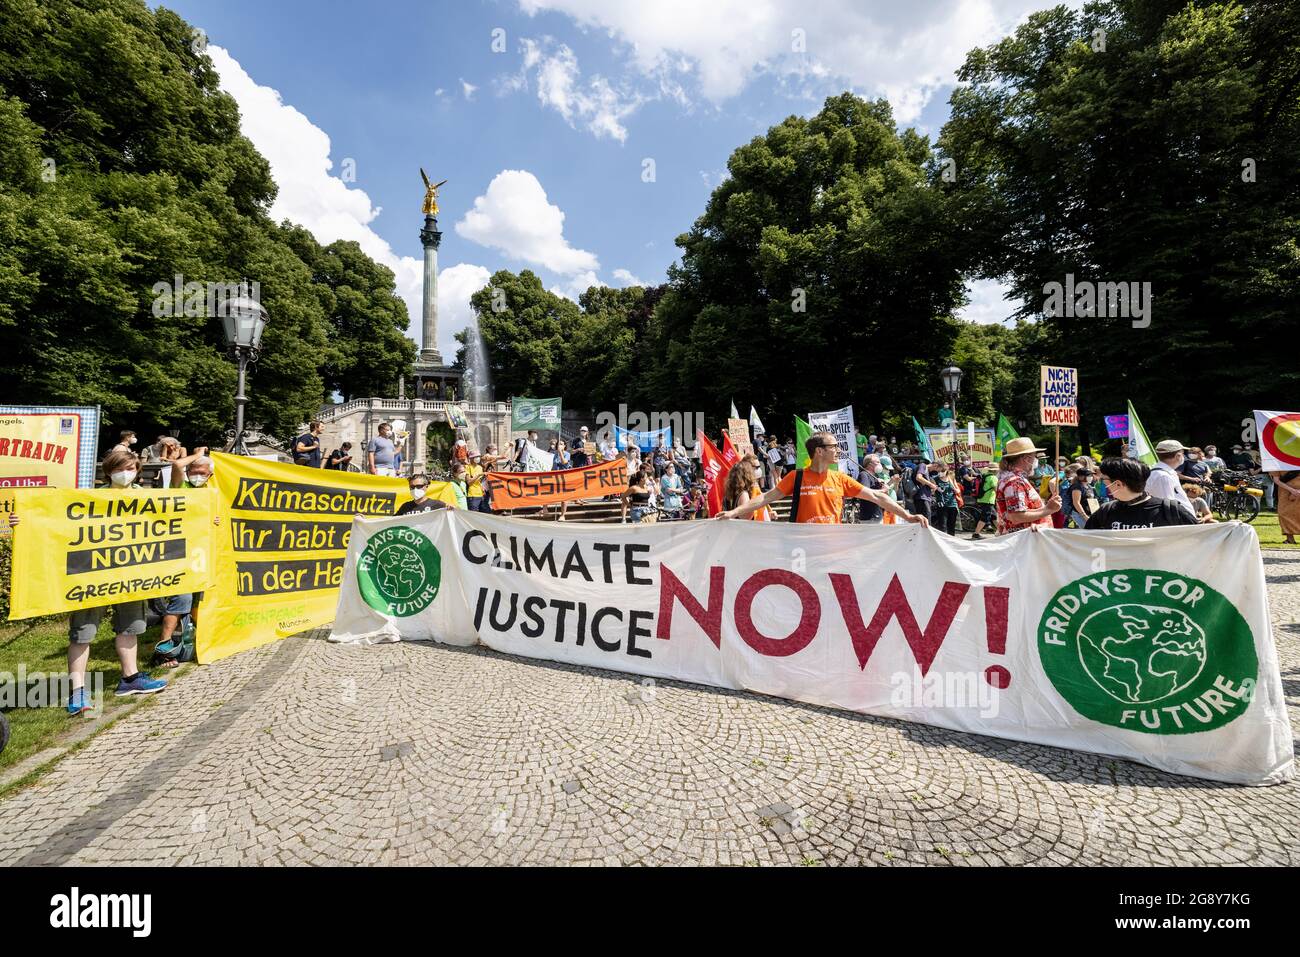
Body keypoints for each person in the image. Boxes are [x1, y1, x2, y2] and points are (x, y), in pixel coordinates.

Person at [9, 449, 167, 712]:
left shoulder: (145, 496)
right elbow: (56, 523)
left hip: (131, 576)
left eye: (130, 467)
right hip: (91, 576)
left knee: (131, 628)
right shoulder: (89, 498)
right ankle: (77, 692)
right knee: (83, 633)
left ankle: (130, 678)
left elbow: (181, 519)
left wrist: (211, 519)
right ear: (108, 471)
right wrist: (23, 521)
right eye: (120, 467)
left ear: (138, 470)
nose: (125, 472)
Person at [717, 431, 928, 526]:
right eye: (833, 446)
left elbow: (877, 497)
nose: (838, 450)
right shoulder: (796, 477)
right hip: (802, 550)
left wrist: (908, 516)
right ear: (819, 451)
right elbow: (765, 498)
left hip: (833, 550)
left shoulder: (840, 479)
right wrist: (734, 512)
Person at [1086, 458, 1199, 529]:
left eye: (1102, 480)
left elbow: (1200, 542)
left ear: (1118, 484)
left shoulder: (1171, 510)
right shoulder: (1106, 511)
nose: (1099, 483)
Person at [996, 437, 1061, 535]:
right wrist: (1049, 509)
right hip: (1023, 542)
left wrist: (1047, 507)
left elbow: (1021, 511)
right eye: (1034, 457)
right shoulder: (1014, 482)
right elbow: (1017, 517)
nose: (1036, 461)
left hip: (1026, 540)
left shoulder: (1014, 479)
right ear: (1026, 459)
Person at [1146, 439, 1197, 517]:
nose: (1184, 456)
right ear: (1178, 456)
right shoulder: (1163, 476)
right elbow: (1168, 508)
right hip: (1177, 524)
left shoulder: (1167, 473)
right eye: (1183, 453)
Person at [1273, 467, 1300, 544]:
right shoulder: (1275, 462)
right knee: (1284, 513)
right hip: (1284, 492)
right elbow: (1276, 480)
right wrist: (1292, 490)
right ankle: (1290, 539)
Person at [1067, 464, 1098, 528]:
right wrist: (1085, 517)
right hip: (1079, 515)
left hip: (1089, 514)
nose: (1091, 477)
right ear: (1081, 477)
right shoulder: (1077, 487)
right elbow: (1076, 503)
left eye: (1091, 475)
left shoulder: (1089, 487)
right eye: (1088, 475)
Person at [971, 467, 998, 540]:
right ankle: (976, 534)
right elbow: (996, 489)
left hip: (982, 499)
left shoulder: (985, 475)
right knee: (985, 517)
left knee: (994, 516)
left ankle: (1002, 531)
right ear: (995, 470)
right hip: (988, 500)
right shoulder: (993, 477)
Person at [855, 454, 885, 523]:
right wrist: (883, 490)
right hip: (870, 517)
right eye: (877, 462)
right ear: (870, 464)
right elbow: (865, 493)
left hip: (877, 515)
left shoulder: (875, 476)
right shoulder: (864, 475)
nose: (880, 464)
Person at [933, 465, 959, 535]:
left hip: (952, 504)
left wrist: (954, 488)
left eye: (942, 471)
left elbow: (958, 490)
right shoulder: (935, 479)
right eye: (938, 471)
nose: (940, 473)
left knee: (951, 526)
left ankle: (952, 541)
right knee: (942, 526)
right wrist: (936, 488)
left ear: (946, 471)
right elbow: (931, 491)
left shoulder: (951, 478)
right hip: (941, 504)